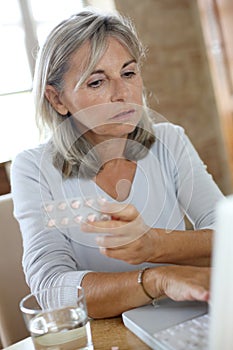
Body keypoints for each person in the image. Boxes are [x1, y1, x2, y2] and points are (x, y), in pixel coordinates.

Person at [11, 9, 223, 318]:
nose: (123, 94)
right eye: (97, 82)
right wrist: (157, 279)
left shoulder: (169, 141)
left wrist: (155, 245)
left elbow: (224, 237)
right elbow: (50, 288)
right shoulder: (33, 168)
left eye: (128, 73)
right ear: (57, 100)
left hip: (186, 317)